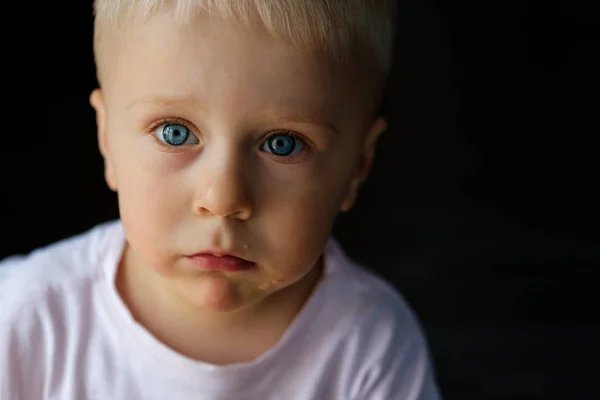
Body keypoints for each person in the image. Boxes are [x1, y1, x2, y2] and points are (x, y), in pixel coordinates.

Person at [0, 1, 442, 398]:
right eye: (175, 133)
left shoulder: (370, 348)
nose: (224, 198)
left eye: (283, 144)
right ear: (106, 140)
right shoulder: (23, 320)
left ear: (357, 167)